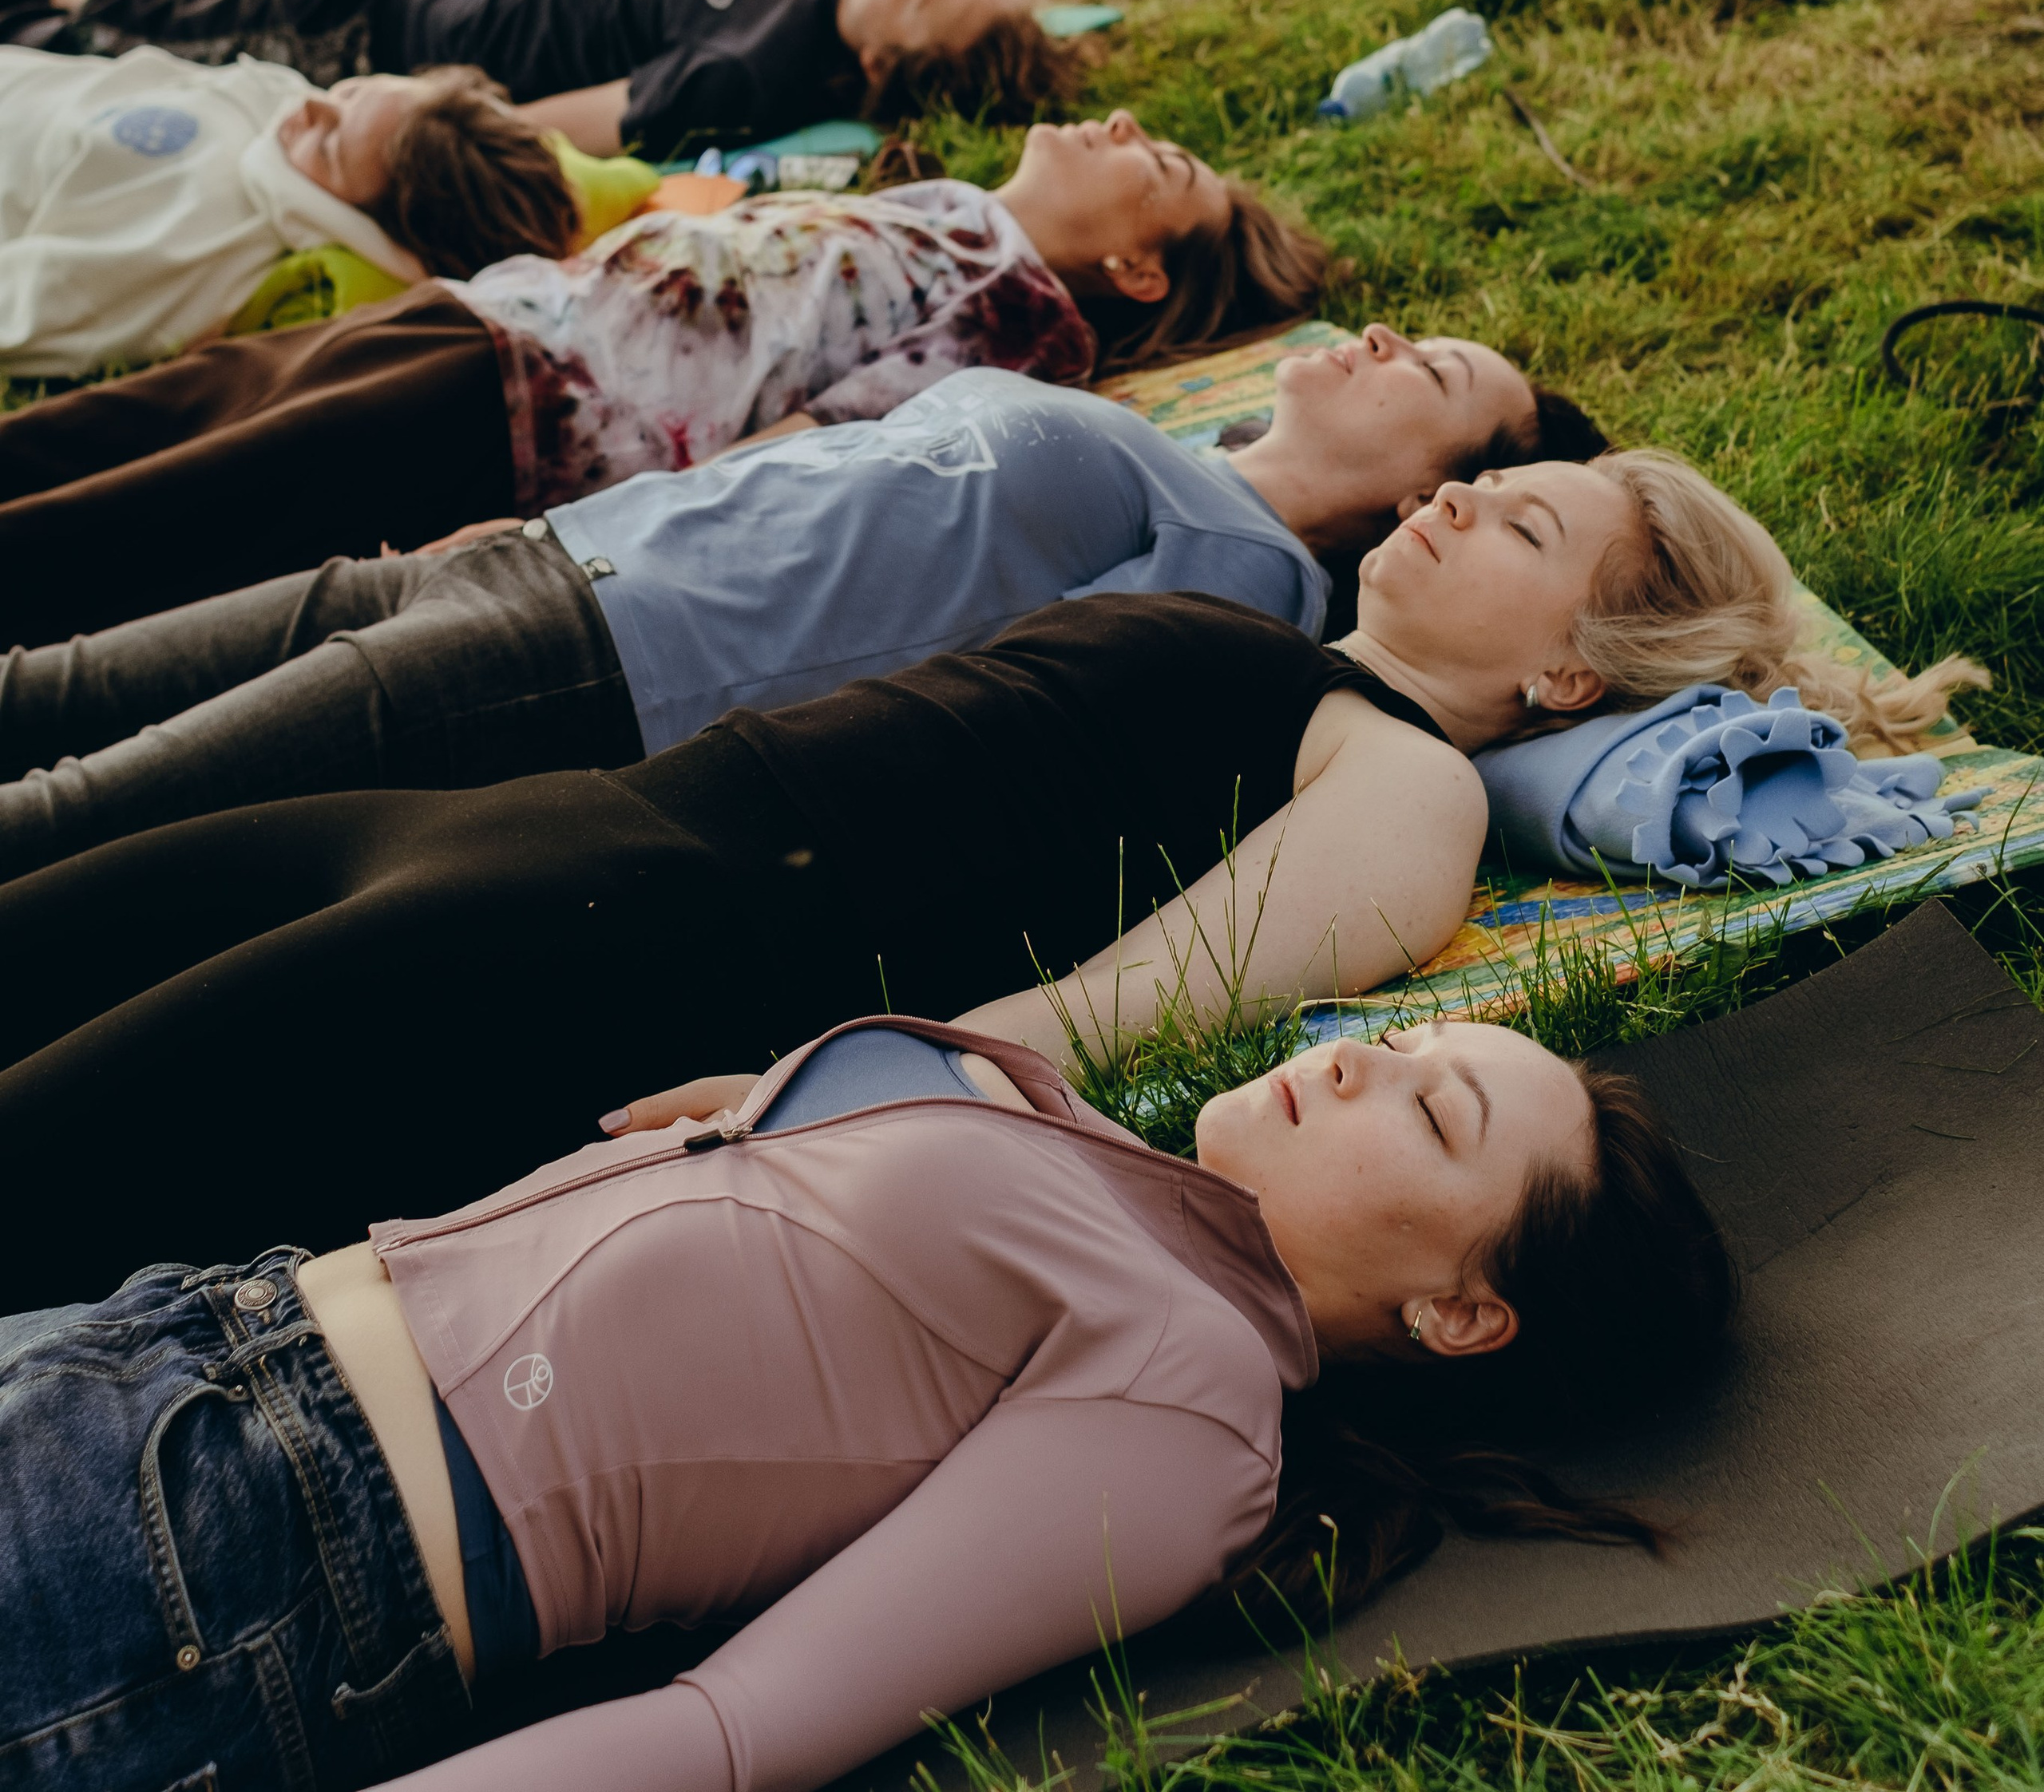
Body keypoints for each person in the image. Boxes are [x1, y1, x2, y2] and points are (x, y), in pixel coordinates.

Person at [0, 435, 1942, 1303]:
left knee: (59, 1135)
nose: (1446, 491)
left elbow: (1132, 1003)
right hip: (541, 832)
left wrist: (834, 1090)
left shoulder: (1411, 784)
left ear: (1564, 672)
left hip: (610, 933)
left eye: (1512, 516)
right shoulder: (1285, 636)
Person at [0, 999, 1736, 1792]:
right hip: (181, 1336)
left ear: (1457, 1315)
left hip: (246, 1562)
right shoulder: (1070, 1127)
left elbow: (748, 1728)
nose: (1360, 1057)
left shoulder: (1190, 1403)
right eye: (1410, 1039)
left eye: (1430, 1117)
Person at [0, 332, 1607, 872]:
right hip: (543, 563)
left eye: (1433, 377)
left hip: (599, 671)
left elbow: (996, 712)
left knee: (72, 808)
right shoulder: (1170, 435)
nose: (1383, 343)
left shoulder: (1238, 575)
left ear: (1427, 493)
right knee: (50, 690)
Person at [0, 111, 1325, 639]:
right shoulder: (962, 215)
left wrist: (546, 541)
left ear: (1142, 269)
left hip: (510, 412)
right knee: (137, 426)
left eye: (1157, 170)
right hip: (489, 319)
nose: (1123, 130)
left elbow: (818, 448)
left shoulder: (1024, 322)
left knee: (149, 514)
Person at [18, 0, 1081, 159]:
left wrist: (399, 123)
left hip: (394, 26)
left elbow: (540, 128)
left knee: (168, 25)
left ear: (881, 63)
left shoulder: (745, 73)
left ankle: (52, 11)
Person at [0, 53, 577, 382]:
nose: (310, 105)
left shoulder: (198, 248)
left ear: (366, 225)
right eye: (350, 92)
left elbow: (30, 303)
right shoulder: (279, 102)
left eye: (328, 147)